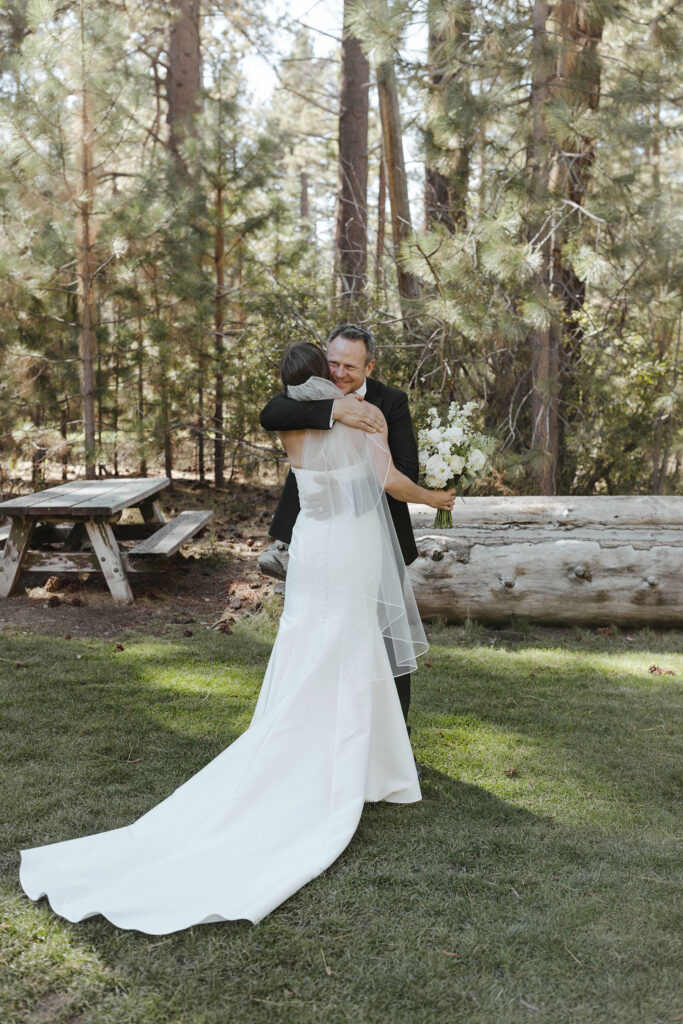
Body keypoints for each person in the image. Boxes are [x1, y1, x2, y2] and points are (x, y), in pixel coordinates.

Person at [19, 343, 454, 934]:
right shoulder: (360, 419)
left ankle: (345, 756)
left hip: (313, 547)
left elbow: (289, 422)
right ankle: (353, 767)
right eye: (332, 368)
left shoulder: (297, 426)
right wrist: (436, 498)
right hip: (349, 548)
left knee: (311, 647)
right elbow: (393, 482)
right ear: (323, 379)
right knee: (348, 648)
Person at [260, 323, 421, 729]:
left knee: (384, 640)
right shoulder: (304, 397)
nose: (339, 373)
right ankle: (319, 730)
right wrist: (335, 410)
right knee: (322, 632)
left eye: (349, 365)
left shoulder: (390, 402)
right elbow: (270, 414)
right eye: (333, 363)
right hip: (321, 535)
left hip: (375, 537)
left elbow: (402, 470)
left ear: (369, 365)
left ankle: (393, 737)